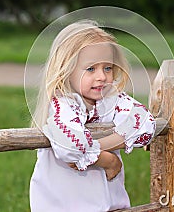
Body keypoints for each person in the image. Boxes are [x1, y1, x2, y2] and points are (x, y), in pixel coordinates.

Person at [29, 20, 156, 212]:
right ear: (66, 70)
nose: (102, 77)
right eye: (91, 69)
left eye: (108, 68)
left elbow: (144, 122)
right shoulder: (62, 105)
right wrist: (108, 160)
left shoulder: (111, 100)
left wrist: (100, 147)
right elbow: (70, 147)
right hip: (65, 206)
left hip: (109, 204)